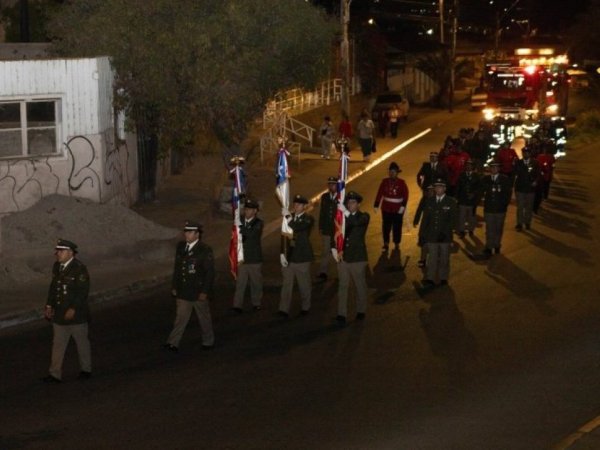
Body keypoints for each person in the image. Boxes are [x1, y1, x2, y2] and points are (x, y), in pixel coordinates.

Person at [43, 239, 91, 383]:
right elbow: (54, 287)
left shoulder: (79, 269)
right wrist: (49, 305)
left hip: (77, 315)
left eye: (61, 251)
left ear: (70, 253)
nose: (57, 253)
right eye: (57, 251)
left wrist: (73, 308)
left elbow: (82, 292)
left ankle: (86, 369)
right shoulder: (57, 267)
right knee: (57, 344)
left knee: (82, 343)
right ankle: (54, 374)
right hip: (59, 314)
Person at [165, 221, 215, 351]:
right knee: (180, 318)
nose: (187, 234)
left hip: (198, 291)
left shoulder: (204, 250)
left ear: (197, 234)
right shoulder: (181, 247)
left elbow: (209, 273)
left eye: (190, 232)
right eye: (186, 232)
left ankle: (208, 341)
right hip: (183, 290)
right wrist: (175, 286)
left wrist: (205, 291)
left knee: (204, 318)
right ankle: (173, 342)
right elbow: (177, 268)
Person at [334, 191, 370, 325]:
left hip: (357, 257)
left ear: (359, 204)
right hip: (343, 257)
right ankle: (341, 313)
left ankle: (361, 310)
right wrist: (334, 248)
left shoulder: (364, 216)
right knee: (343, 286)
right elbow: (336, 232)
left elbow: (355, 223)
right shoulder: (342, 217)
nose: (350, 204)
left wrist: (345, 212)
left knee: (359, 285)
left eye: (353, 202)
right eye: (348, 202)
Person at [279, 195, 314, 317]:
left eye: (299, 204)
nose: (296, 206)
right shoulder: (289, 217)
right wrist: (282, 253)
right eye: (295, 204)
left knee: (304, 284)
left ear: (304, 206)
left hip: (302, 256)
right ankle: (283, 309)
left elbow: (298, 227)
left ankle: (305, 306)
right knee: (286, 285)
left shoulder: (308, 219)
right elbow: (284, 236)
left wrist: (288, 217)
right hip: (289, 256)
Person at [420, 179, 457, 287]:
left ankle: (443, 277)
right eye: (436, 187)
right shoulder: (430, 201)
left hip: (445, 237)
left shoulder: (451, 202)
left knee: (444, 258)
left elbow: (453, 220)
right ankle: (430, 278)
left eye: (440, 187)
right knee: (432, 258)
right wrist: (422, 235)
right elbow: (425, 219)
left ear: (444, 189)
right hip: (432, 235)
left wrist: (444, 232)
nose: (438, 189)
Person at [232, 199, 264, 313]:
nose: (247, 211)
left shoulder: (258, 223)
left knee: (256, 283)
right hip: (242, 257)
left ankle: (256, 302)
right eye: (246, 209)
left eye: (250, 209)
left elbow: (251, 234)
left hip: (254, 258)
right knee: (240, 283)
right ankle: (237, 305)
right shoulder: (240, 220)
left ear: (255, 211)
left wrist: (240, 227)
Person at [374, 162, 409, 252]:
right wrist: (376, 204)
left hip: (398, 209)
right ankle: (386, 243)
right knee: (386, 226)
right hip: (386, 208)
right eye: (390, 172)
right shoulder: (384, 182)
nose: (392, 173)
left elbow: (405, 195)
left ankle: (397, 243)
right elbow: (379, 193)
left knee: (397, 226)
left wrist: (403, 206)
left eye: (394, 172)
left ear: (397, 173)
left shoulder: (402, 183)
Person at [480, 162, 512, 256]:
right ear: (490, 168)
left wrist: (504, 205)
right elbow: (480, 191)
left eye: (496, 167)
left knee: (498, 229)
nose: (494, 169)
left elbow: (508, 194)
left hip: (500, 209)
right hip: (489, 208)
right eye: (492, 167)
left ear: (499, 169)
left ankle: (497, 245)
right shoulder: (485, 179)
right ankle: (489, 247)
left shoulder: (504, 179)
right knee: (489, 229)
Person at [514, 147, 541, 231]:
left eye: (527, 152)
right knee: (520, 207)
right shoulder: (518, 162)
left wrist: (535, 181)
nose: (526, 154)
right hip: (520, 188)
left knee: (529, 207)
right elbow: (514, 173)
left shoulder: (535, 163)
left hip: (530, 189)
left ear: (530, 153)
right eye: (524, 152)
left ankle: (527, 222)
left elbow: (538, 174)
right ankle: (519, 223)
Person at [317, 177, 338, 281]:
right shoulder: (325, 197)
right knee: (325, 251)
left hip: (337, 230)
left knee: (337, 251)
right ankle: (323, 271)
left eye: (333, 184)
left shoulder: (342, 197)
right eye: (329, 184)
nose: (331, 186)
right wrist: (321, 226)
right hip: (327, 228)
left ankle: (340, 271)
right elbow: (322, 212)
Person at [456, 160, 481, 238]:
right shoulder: (461, 175)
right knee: (462, 217)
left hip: (472, 201)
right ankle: (462, 231)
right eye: (467, 165)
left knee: (471, 217)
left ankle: (471, 230)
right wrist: (457, 198)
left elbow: (479, 188)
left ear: (473, 167)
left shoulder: (476, 176)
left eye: (470, 165)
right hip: (462, 200)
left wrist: (474, 194)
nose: (468, 166)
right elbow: (458, 187)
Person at [414, 185, 435, 268]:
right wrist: (416, 220)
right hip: (425, 224)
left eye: (432, 190)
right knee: (424, 243)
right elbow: (419, 210)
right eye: (429, 190)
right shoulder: (424, 199)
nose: (430, 192)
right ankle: (423, 260)